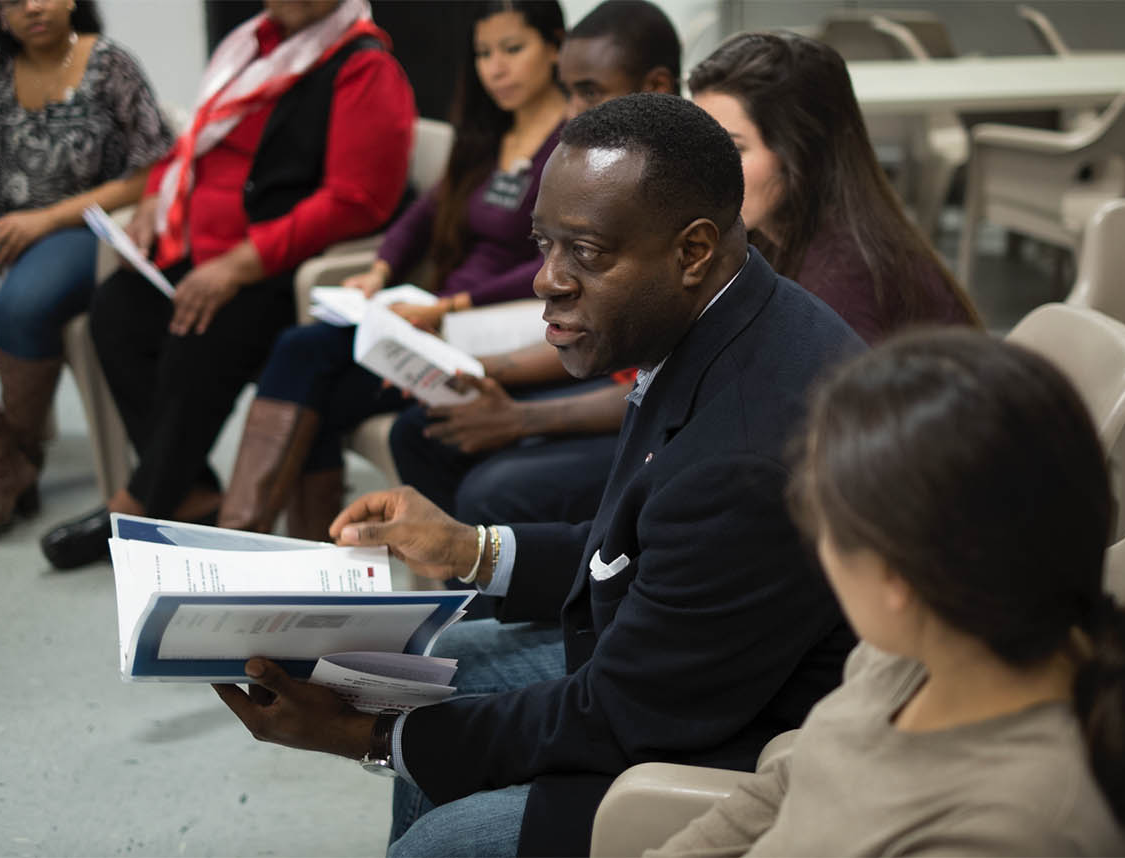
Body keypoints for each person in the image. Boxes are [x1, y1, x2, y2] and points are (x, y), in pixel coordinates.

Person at [212, 94, 865, 858]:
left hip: (743, 753)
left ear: (692, 251)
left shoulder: (750, 450)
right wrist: (469, 549)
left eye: (585, 252)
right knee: (450, 667)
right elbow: (646, 546)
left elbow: (622, 717)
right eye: (543, 245)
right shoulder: (726, 318)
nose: (546, 281)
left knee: (441, 838)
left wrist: (371, 735)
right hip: (683, 674)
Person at [652, 330, 1125, 856]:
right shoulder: (920, 649)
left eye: (827, 528)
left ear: (896, 577)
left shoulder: (1012, 828)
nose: (820, 550)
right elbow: (799, 778)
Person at [39, 0, 416, 569]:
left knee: (201, 328)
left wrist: (241, 263)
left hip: (281, 267)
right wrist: (151, 203)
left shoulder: (365, 66)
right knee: (117, 310)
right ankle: (188, 491)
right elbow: (192, 144)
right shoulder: (248, 45)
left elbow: (357, 200)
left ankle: (141, 502)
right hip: (205, 249)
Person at [213, 0, 567, 542]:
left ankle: (256, 545)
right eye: (483, 53)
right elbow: (422, 215)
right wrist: (379, 270)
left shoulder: (569, 147)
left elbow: (550, 264)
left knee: (308, 370)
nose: (496, 67)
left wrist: (448, 307)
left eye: (513, 49)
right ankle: (272, 546)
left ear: (555, 47)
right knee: (300, 352)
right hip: (430, 319)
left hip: (487, 332)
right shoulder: (486, 135)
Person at [386, 0, 683, 527]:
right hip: (608, 370)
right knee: (422, 428)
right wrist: (476, 371)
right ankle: (471, 588)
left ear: (656, 87)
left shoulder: (674, 199)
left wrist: (518, 419)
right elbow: (591, 327)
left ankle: (510, 584)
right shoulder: (603, 175)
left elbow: (653, 381)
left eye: (588, 92)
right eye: (569, 93)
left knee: (490, 488)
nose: (572, 112)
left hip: (653, 403)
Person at [0, 0, 170, 543]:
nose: (31, 8)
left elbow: (151, 168)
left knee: (23, 308)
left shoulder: (111, 65)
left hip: (78, 231)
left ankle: (18, 457)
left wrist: (44, 220)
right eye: (14, 1)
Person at [689, 32, 980, 344]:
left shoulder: (845, 289)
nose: (703, 170)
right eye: (700, 142)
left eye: (733, 148)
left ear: (800, 151)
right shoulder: (772, 241)